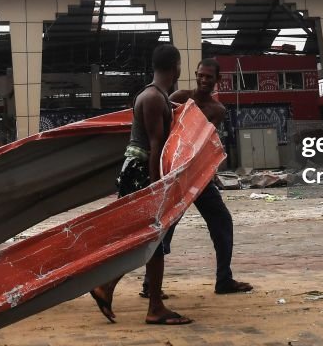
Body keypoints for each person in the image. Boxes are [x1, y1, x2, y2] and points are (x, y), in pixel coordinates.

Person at [89, 44, 192, 325]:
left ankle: (107, 287)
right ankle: (154, 307)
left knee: (146, 238)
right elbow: (156, 145)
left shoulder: (157, 95)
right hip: (141, 171)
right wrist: (157, 187)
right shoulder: (153, 98)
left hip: (136, 170)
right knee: (153, 238)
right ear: (176, 67)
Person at [142, 58, 253, 298]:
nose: (203, 80)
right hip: (175, 175)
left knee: (222, 222)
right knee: (165, 228)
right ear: (195, 75)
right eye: (200, 75)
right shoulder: (180, 96)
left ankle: (224, 279)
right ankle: (149, 285)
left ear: (217, 80)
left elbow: (201, 140)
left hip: (199, 177)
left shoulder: (217, 110)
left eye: (208, 77)